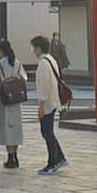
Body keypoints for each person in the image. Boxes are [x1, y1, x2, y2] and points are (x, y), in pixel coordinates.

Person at [32, 35, 67, 175]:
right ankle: (60, 157)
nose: (33, 50)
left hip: (47, 103)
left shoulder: (43, 63)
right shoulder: (51, 59)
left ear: (39, 48)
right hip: (53, 101)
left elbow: (43, 86)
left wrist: (40, 105)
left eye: (34, 47)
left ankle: (53, 162)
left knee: (46, 132)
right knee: (48, 132)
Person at [0, 39, 27, 169]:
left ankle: (10, 158)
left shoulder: (0, 64)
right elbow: (24, 77)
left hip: (5, 99)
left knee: (7, 129)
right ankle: (16, 156)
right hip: (17, 100)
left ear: (1, 51)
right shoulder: (17, 63)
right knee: (16, 129)